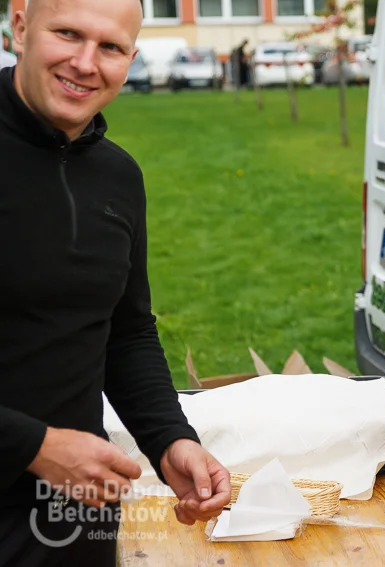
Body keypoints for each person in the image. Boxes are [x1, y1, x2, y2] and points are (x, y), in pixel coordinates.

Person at [0, 0, 231, 564]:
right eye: (68, 34)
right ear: (21, 28)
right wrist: (34, 446)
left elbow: (125, 331)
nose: (85, 62)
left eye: (109, 47)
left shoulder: (117, 176)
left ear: (131, 57)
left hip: (70, 512)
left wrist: (169, 440)